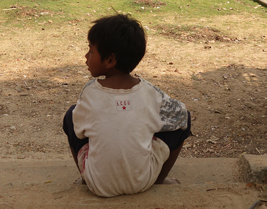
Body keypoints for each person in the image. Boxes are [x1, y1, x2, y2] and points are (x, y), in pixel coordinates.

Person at [62, 14, 191, 197]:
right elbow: (181, 115)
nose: (86, 56)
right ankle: (159, 180)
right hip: (143, 182)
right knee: (184, 118)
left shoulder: (90, 92)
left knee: (71, 116)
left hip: (98, 186)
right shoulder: (150, 93)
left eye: (91, 51)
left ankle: (85, 177)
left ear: (110, 60)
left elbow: (80, 131)